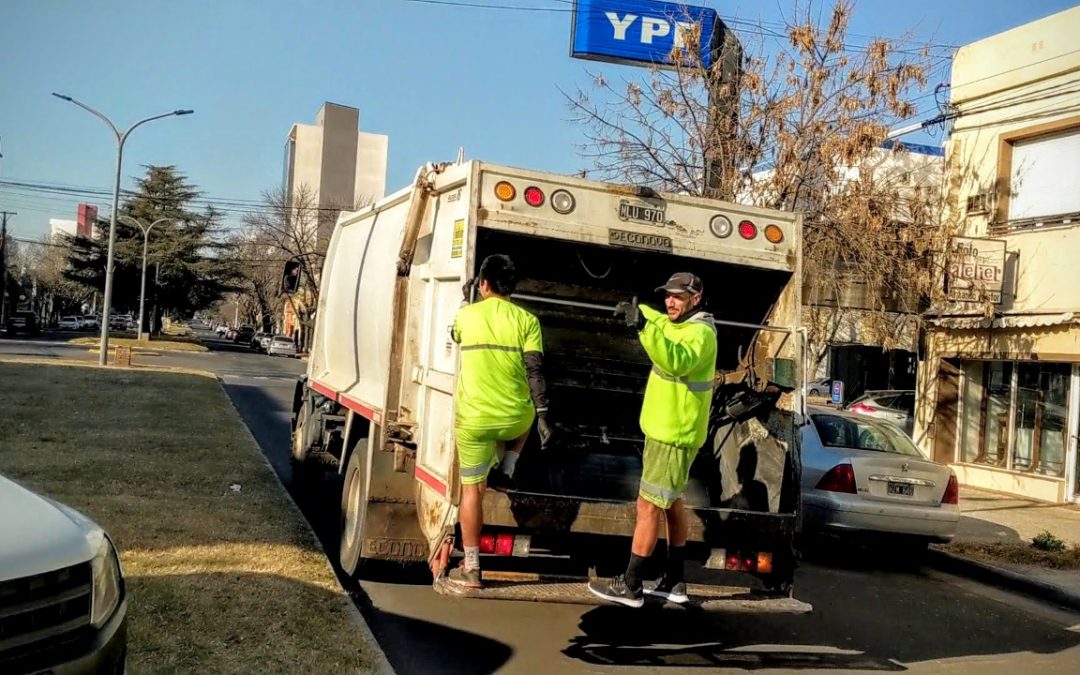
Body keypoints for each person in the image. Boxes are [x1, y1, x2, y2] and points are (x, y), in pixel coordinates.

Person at [587, 272, 717, 607]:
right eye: (668, 295)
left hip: (673, 435)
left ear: (695, 299)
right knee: (673, 503)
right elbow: (662, 319)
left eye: (678, 296)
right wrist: (639, 310)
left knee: (648, 506)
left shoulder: (700, 334)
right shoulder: (682, 324)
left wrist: (642, 328)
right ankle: (675, 580)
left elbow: (675, 361)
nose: (670, 302)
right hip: (667, 432)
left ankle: (630, 584)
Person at [447, 254, 554, 589]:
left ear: (483, 284)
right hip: (513, 420)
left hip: (475, 420)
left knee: (472, 491)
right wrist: (543, 415)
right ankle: (508, 467)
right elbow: (535, 370)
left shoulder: (467, 315)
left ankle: (473, 567)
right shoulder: (528, 321)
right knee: (524, 416)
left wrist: (469, 298)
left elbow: (455, 334)